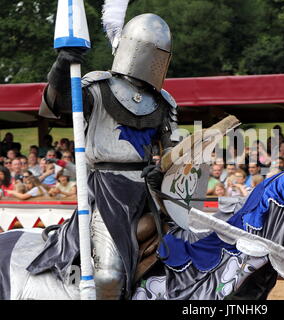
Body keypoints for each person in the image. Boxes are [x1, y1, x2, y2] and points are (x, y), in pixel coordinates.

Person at [27, 13, 180, 300]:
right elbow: (55, 105)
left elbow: (172, 152)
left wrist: (164, 170)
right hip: (108, 192)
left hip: (152, 192)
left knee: (190, 253)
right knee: (109, 274)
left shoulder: (164, 102)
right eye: (153, 53)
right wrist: (62, 66)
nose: (156, 61)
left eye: (162, 55)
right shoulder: (98, 88)